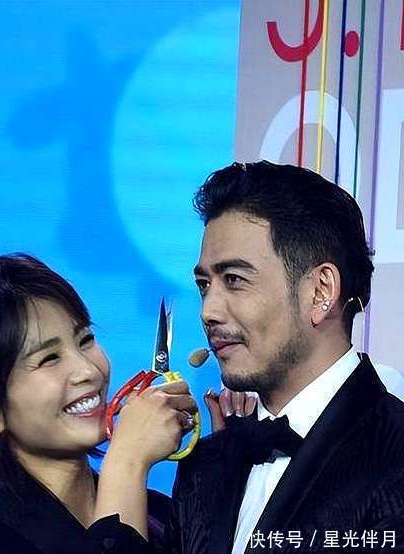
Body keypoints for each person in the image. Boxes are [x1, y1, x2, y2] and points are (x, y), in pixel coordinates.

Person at [168, 161, 404, 553]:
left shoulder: (394, 457)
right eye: (205, 285)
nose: (208, 311)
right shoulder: (202, 467)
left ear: (320, 292)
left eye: (234, 280)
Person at [0, 253, 196, 554]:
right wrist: (126, 462)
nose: (88, 371)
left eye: (85, 340)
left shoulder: (160, 515)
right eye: (49, 358)